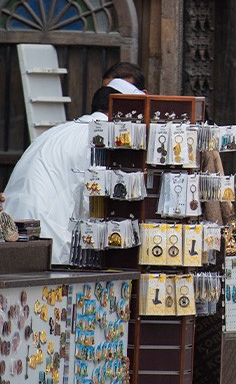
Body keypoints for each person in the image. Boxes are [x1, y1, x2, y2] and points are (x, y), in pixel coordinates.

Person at [3, 66, 145, 265]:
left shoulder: (60, 131)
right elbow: (95, 199)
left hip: (14, 230)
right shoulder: (101, 138)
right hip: (45, 238)